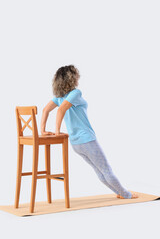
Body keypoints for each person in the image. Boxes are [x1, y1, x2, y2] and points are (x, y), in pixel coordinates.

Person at [40, 65, 138, 199]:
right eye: (76, 75)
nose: (78, 78)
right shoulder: (75, 93)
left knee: (99, 171)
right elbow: (61, 110)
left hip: (76, 144)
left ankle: (120, 193)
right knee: (105, 170)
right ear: (71, 78)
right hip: (87, 140)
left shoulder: (59, 97)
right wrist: (57, 131)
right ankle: (126, 194)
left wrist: (43, 130)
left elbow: (46, 110)